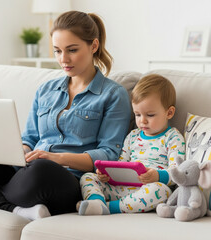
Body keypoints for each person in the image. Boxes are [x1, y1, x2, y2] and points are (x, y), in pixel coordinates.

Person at [0, 11, 131, 221]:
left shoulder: (113, 94)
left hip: (66, 178)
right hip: (25, 169)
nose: (63, 59)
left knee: (40, 170)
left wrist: (56, 158)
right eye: (57, 51)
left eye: (72, 50)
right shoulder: (46, 90)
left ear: (93, 46)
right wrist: (17, 152)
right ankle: (14, 208)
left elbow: (109, 154)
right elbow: (29, 138)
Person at [78, 74, 186, 215]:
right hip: (122, 187)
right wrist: (107, 175)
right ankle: (96, 203)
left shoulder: (173, 137)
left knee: (161, 191)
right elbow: (121, 163)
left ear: (169, 112)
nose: (142, 121)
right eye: (137, 114)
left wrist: (158, 176)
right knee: (88, 177)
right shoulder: (133, 136)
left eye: (150, 115)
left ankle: (108, 208)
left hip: (148, 190)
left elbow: (178, 172)